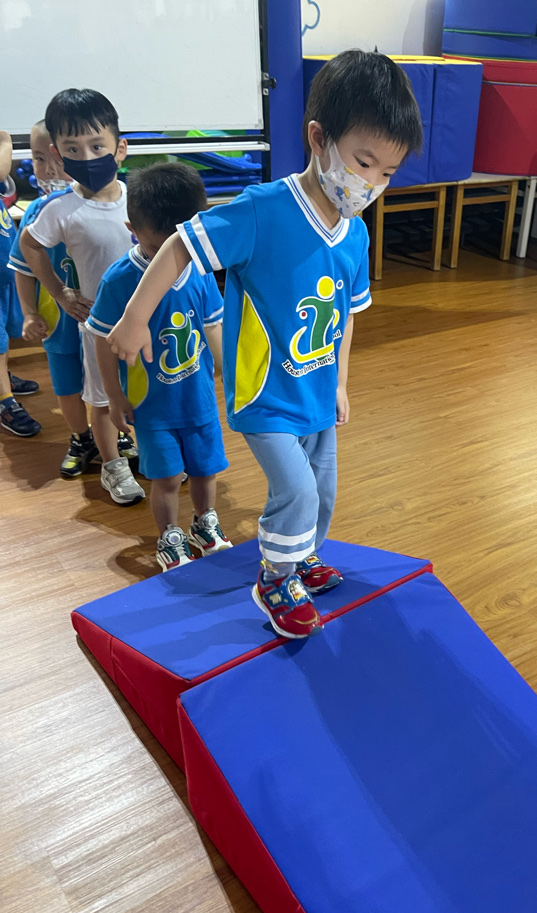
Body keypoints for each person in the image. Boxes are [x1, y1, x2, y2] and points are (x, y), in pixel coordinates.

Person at [108, 50, 422, 636]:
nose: (372, 184)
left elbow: (346, 317)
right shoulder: (263, 211)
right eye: (363, 163)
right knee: (296, 490)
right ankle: (275, 578)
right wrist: (134, 317)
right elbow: (180, 245)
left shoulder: (354, 233)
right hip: (265, 395)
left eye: (388, 172)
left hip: (317, 394)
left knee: (322, 490)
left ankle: (301, 559)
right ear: (319, 139)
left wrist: (342, 384)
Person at [90, 163, 232, 571]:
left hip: (199, 400)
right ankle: (169, 536)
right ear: (132, 229)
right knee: (167, 478)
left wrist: (232, 378)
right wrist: (114, 397)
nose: (169, 258)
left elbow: (214, 326)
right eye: (157, 248)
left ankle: (205, 524)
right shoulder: (119, 280)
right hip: (152, 407)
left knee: (205, 470)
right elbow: (102, 340)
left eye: (179, 245)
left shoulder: (200, 270)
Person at [18, 89, 144, 502]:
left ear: (119, 148)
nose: (87, 157)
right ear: (58, 153)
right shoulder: (60, 209)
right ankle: (112, 466)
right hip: (98, 327)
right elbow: (30, 245)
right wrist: (60, 293)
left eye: (97, 146)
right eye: (73, 149)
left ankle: (151, 453)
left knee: (147, 391)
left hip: (146, 322)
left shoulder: (139, 199)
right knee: (102, 399)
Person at [8, 120, 96, 474]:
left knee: (108, 382)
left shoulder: (101, 205)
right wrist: (30, 313)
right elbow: (22, 268)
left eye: (58, 159)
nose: (48, 169)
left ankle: (117, 435)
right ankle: (81, 438)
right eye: (38, 159)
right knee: (67, 386)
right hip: (59, 322)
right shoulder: (35, 213)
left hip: (100, 320)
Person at [0, 128, 41, 437]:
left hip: (4, 274)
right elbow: (3, 152)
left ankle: (3, 375)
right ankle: (4, 400)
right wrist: (3, 138)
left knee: (5, 332)